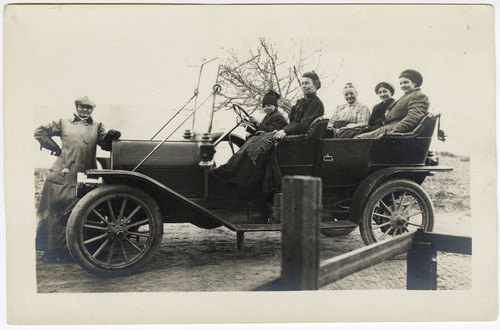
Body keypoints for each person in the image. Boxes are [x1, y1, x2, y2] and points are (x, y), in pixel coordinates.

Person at [35, 96, 121, 263]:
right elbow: (39, 132)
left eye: (89, 108)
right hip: (63, 175)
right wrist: (55, 149)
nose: (85, 110)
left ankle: (80, 251)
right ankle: (53, 252)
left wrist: (111, 136)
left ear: (92, 110)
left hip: (87, 175)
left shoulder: (97, 126)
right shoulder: (63, 122)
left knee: (85, 211)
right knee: (58, 211)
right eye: (82, 107)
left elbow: (105, 144)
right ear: (77, 107)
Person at [213, 72, 324, 197]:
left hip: (299, 141)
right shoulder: (302, 102)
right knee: (253, 141)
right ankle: (231, 172)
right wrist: (280, 130)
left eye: (307, 83)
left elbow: (303, 125)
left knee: (256, 145)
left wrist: (284, 131)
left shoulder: (315, 103)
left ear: (315, 84)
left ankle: (235, 177)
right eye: (302, 83)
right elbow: (293, 122)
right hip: (290, 135)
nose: (304, 86)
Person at [356, 69, 429, 139]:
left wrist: (394, 131)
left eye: (406, 82)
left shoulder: (418, 96)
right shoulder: (406, 96)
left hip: (394, 131)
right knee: (355, 137)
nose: (403, 85)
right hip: (387, 128)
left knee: (358, 139)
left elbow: (413, 117)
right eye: (401, 83)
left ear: (414, 83)